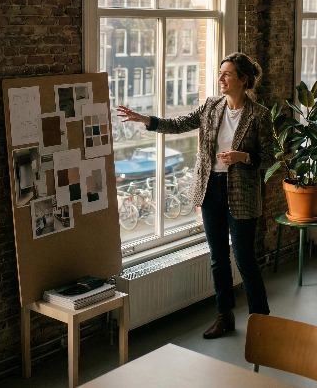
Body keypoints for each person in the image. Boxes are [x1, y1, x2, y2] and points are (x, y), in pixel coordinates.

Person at [117, 52, 275, 339]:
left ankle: (262, 323)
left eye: (227, 74)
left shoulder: (259, 115)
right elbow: (179, 124)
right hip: (211, 189)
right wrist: (147, 120)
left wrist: (243, 157)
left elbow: (269, 158)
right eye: (220, 72)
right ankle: (224, 316)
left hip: (242, 194)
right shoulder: (211, 106)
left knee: (244, 259)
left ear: (243, 79)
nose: (220, 78)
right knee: (218, 258)